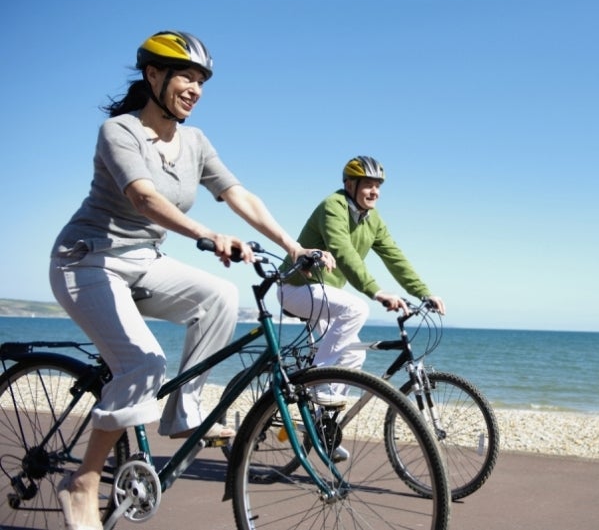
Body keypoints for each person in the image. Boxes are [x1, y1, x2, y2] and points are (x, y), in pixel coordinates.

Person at [49, 30, 334, 530]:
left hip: (144, 260)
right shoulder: (120, 132)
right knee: (143, 362)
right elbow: (143, 198)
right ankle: (83, 481)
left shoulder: (195, 142)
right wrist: (207, 234)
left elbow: (238, 195)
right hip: (88, 260)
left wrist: (294, 246)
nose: (195, 88)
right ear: (153, 75)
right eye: (186, 76)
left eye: (201, 80)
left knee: (221, 295)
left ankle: (184, 413)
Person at [278, 155, 445, 407]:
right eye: (368, 184)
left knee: (354, 356)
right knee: (357, 308)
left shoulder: (373, 220)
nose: (374, 191)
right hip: (296, 288)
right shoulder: (332, 206)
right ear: (350, 185)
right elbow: (343, 251)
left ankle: (326, 425)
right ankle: (316, 380)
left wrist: (423, 292)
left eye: (378, 186)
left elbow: (395, 257)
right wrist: (376, 292)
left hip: (325, 296)